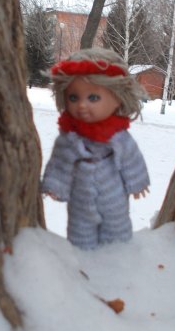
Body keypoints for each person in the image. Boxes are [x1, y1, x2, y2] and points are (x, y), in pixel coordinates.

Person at [41, 47, 150, 250]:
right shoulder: (68, 138)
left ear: (117, 98)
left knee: (117, 234)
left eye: (93, 98)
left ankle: (118, 261)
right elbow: (60, 163)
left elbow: (131, 159)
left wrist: (137, 181)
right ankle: (84, 264)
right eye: (73, 98)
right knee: (80, 236)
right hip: (80, 201)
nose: (82, 106)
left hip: (114, 198)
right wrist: (55, 185)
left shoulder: (119, 136)